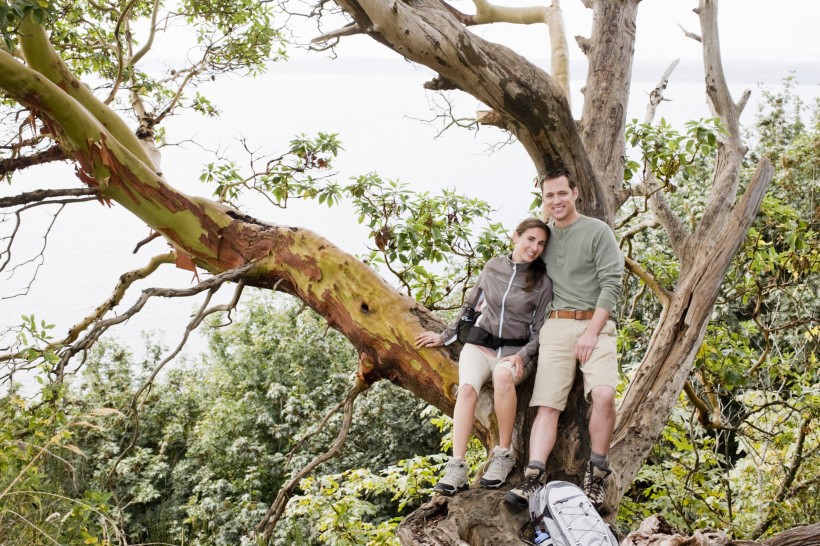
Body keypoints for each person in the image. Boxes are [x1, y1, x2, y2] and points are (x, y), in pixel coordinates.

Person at [504, 169, 624, 511]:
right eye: (549, 196)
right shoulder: (544, 238)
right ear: (544, 200)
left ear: (575, 193)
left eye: (562, 193)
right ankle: (533, 479)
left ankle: (597, 475)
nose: (556, 201)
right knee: (547, 405)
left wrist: (590, 332)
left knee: (603, 395)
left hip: (596, 325)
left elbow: (611, 285)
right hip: (555, 326)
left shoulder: (597, 231)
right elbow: (520, 269)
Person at [415, 218, 553, 495]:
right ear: (515, 236)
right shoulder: (493, 267)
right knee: (466, 390)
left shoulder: (542, 282)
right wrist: (444, 336)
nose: (534, 247)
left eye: (540, 243)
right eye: (530, 239)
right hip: (480, 346)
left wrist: (522, 356)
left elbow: (540, 331)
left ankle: (504, 455)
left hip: (515, 353)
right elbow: (471, 306)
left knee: (503, 376)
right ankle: (457, 467)